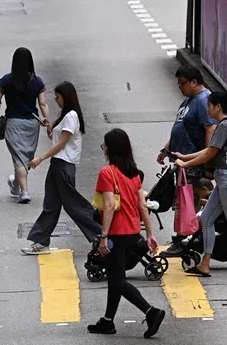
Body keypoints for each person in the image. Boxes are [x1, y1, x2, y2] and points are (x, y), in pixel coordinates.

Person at [87, 129, 166, 337]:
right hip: (132, 232)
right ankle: (107, 321)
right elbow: (142, 205)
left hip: (117, 233)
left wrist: (104, 236)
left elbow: (110, 206)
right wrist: (150, 234)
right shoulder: (133, 172)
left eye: (104, 146)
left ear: (111, 149)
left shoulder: (107, 173)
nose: (103, 150)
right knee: (116, 277)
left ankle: (151, 312)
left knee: (118, 281)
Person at [175, 91, 227, 279]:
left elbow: (209, 154)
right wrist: (185, 157)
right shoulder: (225, 125)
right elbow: (209, 149)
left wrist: (186, 164)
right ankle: (204, 264)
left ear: (218, 106)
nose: (207, 109)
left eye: (209, 105)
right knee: (206, 219)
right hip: (225, 179)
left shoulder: (224, 126)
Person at [22, 82, 102, 255]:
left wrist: (41, 158)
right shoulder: (67, 115)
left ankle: (102, 232)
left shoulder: (71, 116)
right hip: (58, 165)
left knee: (74, 205)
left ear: (66, 97)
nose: (56, 101)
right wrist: (50, 127)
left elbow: (61, 144)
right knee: (51, 204)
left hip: (63, 165)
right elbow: (61, 138)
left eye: (58, 97)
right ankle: (41, 241)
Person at [158, 66, 216, 256]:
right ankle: (184, 239)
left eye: (182, 83)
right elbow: (180, 127)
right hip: (182, 160)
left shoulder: (203, 101)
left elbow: (210, 129)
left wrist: (207, 162)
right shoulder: (189, 101)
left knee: (186, 203)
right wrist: (166, 150)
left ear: (194, 82)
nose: (179, 87)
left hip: (193, 161)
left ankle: (185, 241)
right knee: (182, 202)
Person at [0, 47, 49, 204]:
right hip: (32, 124)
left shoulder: (7, 80)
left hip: (13, 124)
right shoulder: (37, 81)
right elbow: (43, 103)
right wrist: (47, 120)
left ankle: (23, 191)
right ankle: (17, 185)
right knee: (24, 158)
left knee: (19, 159)